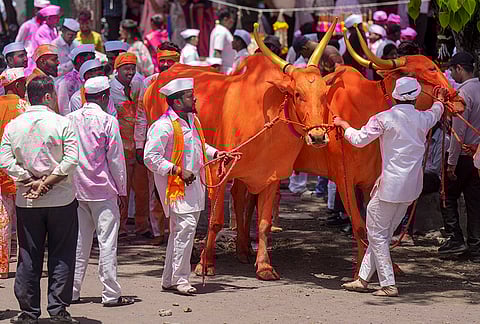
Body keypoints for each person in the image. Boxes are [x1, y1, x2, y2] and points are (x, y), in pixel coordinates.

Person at [336, 77, 447, 297]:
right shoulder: (424, 118)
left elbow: (358, 140)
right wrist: (441, 100)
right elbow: (437, 111)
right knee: (382, 234)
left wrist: (344, 125)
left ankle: (388, 284)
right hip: (412, 187)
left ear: (394, 96)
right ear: (416, 98)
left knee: (376, 234)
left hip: (391, 186)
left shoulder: (383, 118)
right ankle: (363, 279)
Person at [0, 75, 79, 323]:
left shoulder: (15, 125)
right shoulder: (62, 123)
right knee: (62, 253)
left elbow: (4, 160)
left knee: (28, 255)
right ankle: (58, 311)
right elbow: (71, 159)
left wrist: (30, 180)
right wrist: (47, 182)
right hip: (62, 200)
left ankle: (28, 312)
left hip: (27, 201)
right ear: (48, 97)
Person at [144, 77, 225, 295]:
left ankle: (170, 278)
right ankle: (181, 280)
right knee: (185, 230)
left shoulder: (193, 120)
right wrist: (177, 170)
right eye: (190, 95)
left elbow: (200, 144)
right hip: (176, 187)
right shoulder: (163, 126)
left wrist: (216, 153)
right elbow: (150, 157)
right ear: (177, 102)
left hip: (194, 186)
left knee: (180, 232)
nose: (195, 98)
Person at [68, 76, 134, 307]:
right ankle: (110, 294)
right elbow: (116, 160)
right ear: (106, 96)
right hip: (103, 191)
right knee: (107, 243)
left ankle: (72, 291)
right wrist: (122, 190)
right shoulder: (108, 121)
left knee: (78, 243)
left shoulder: (69, 120)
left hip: (76, 191)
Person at [439, 52, 480, 262]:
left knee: (447, 196)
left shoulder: (463, 94)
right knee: (474, 202)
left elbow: (458, 133)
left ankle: (455, 239)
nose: (452, 74)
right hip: (477, 155)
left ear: (459, 69)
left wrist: (450, 163)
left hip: (463, 154)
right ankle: (475, 247)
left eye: (453, 69)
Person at [110, 53, 151, 239]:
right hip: (120, 146)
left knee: (142, 189)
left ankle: (143, 226)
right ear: (116, 69)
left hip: (139, 144)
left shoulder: (140, 83)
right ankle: (120, 227)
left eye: (132, 68)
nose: (130, 71)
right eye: (126, 68)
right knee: (122, 189)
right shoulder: (110, 88)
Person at [0, 68, 27, 280]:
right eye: (23, 83)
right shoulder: (23, 106)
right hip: (21, 169)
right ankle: (24, 265)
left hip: (1, 169)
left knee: (4, 219)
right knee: (25, 220)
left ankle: (2, 267)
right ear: (16, 85)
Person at [56, 44, 95, 116]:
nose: (92, 63)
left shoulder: (92, 76)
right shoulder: (67, 82)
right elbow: (64, 109)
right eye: (89, 60)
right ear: (79, 62)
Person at [15, 0, 50, 75]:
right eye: (39, 9)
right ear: (35, 10)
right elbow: (17, 44)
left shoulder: (49, 27)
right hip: (29, 64)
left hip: (44, 62)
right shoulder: (27, 25)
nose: (42, 12)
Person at [209, 8, 235, 73]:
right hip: (224, 71)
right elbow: (217, 51)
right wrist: (217, 71)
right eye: (232, 19)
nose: (233, 21)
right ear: (225, 19)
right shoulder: (221, 31)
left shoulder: (222, 30)